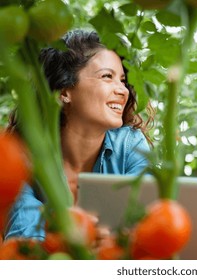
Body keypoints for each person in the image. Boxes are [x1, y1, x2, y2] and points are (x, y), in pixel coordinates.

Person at [4, 29, 153, 240]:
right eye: (107, 76)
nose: (123, 90)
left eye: (122, 80)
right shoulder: (22, 159)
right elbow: (25, 240)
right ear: (64, 92)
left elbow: (144, 224)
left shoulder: (130, 145)